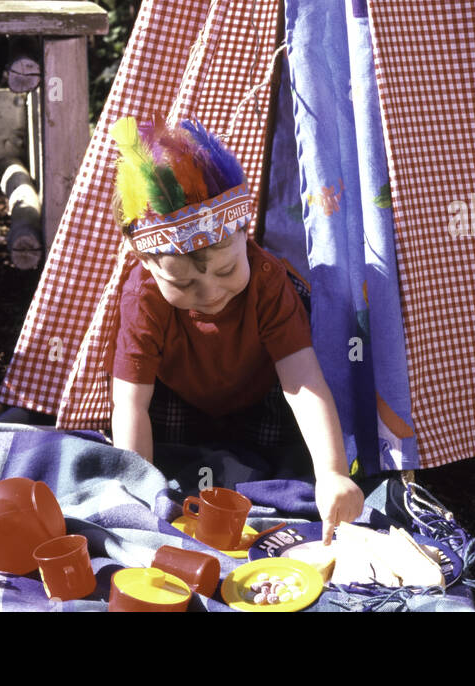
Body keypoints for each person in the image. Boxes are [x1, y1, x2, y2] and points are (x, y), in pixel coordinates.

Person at [107, 114, 364, 544]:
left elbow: (302, 379)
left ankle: (253, 469)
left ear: (245, 235)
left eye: (226, 270)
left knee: (289, 452)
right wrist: (135, 498)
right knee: (156, 455)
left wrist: (333, 473)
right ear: (144, 260)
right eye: (184, 283)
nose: (209, 293)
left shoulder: (267, 280)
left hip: (261, 393)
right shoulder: (144, 297)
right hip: (182, 397)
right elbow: (130, 404)